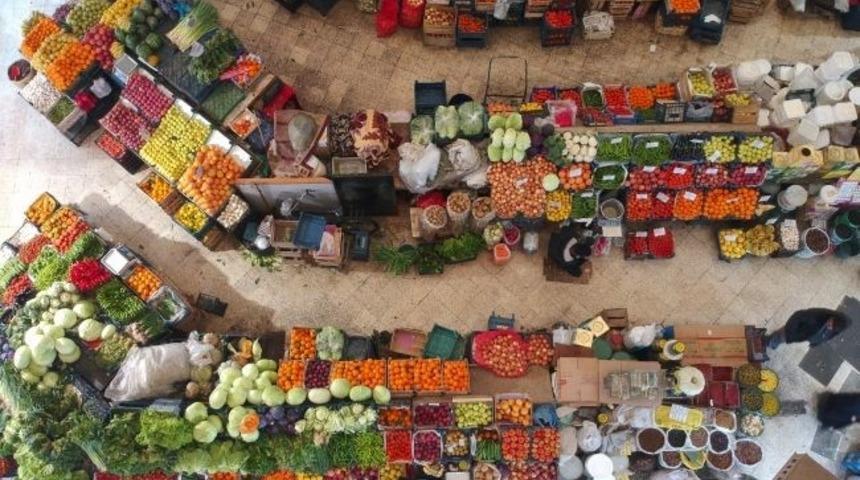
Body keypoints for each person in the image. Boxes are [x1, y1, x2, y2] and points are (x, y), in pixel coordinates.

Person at [766, 308, 850, 349]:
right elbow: (798, 316)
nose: (830, 326)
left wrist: (815, 343)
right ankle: (768, 341)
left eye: (833, 327)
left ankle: (773, 341)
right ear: (833, 317)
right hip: (793, 331)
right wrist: (790, 332)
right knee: (780, 336)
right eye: (831, 323)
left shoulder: (836, 329)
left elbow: (827, 337)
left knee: (782, 339)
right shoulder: (818, 315)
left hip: (802, 335)